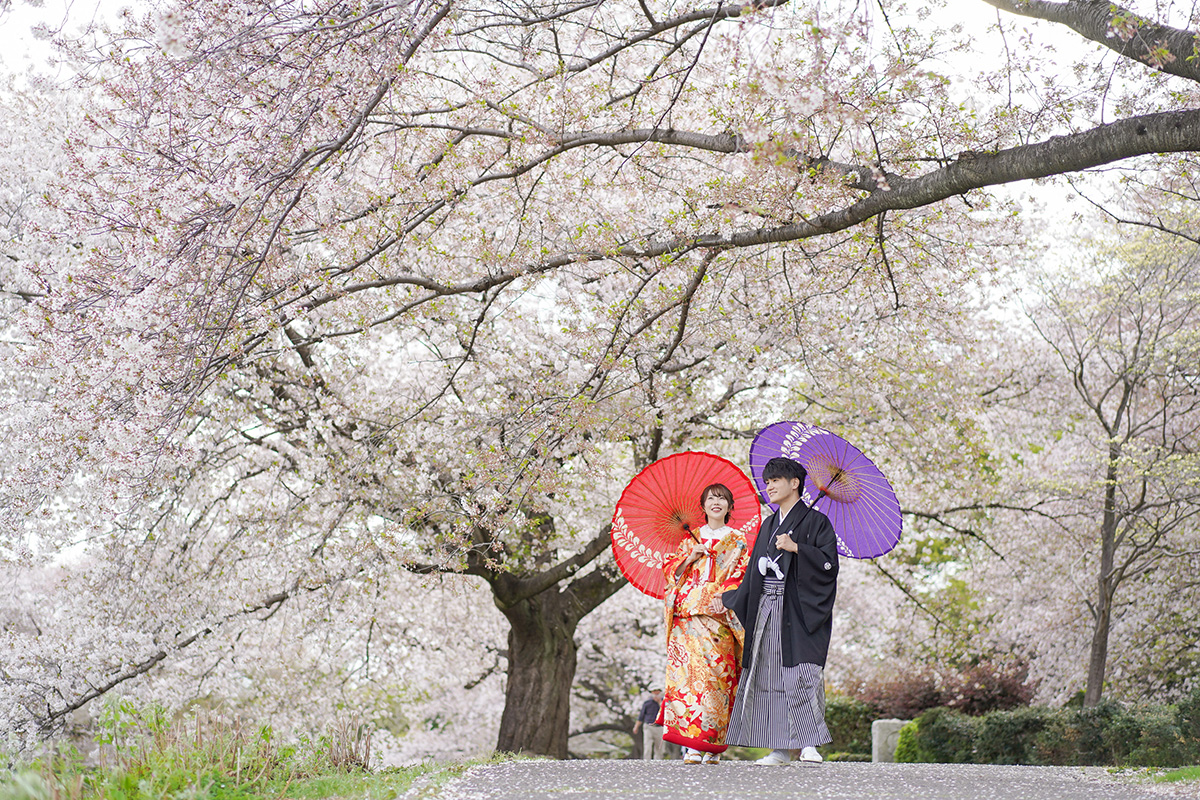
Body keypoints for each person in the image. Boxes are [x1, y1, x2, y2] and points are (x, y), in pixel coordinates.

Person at [718, 456, 839, 765]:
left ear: (794, 483)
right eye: (767, 481)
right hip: (767, 606)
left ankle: (809, 744)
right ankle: (779, 748)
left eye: (775, 480)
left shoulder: (817, 522)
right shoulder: (770, 524)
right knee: (768, 674)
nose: (769, 485)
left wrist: (798, 548)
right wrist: (734, 596)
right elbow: (753, 572)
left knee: (801, 673)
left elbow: (829, 566)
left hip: (798, 609)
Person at [655, 483, 751, 765]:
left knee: (716, 682)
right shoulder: (689, 541)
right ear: (704, 506)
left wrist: (724, 594)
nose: (717, 503)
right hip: (688, 618)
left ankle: (713, 744)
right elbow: (670, 572)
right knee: (690, 681)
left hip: (718, 616)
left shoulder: (738, 540)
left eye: (722, 499)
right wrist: (690, 558)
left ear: (730, 507)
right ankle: (693, 746)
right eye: (711, 499)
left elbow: (741, 575)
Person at [634, 687, 666, 759]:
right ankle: (647, 761)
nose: (656, 694)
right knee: (647, 745)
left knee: (659, 748)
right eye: (654, 692)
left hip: (659, 727)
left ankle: (658, 762)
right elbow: (641, 716)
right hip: (648, 726)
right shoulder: (647, 703)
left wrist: (659, 703)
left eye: (657, 692)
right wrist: (636, 727)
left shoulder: (665, 702)